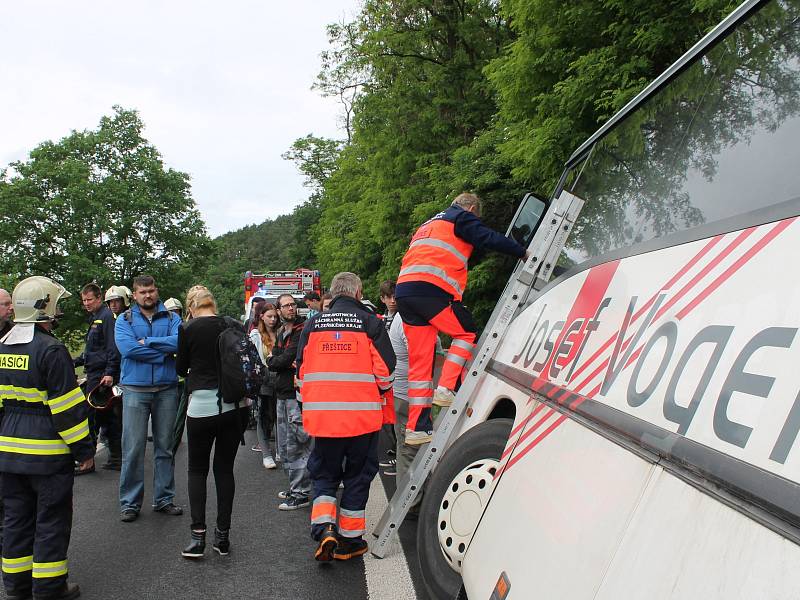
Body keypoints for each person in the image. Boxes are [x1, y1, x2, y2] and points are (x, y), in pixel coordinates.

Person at [395, 192, 527, 444]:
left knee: (420, 365)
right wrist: (521, 251)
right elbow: (487, 238)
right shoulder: (461, 217)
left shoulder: (428, 225)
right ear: (472, 208)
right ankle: (446, 388)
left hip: (405, 294)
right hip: (430, 290)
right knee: (466, 331)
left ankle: (417, 428)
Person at [0, 276, 94, 600]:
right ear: (46, 306)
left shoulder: (2, 347)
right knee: (51, 522)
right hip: (47, 457)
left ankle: (16, 587)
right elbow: (67, 411)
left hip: (8, 455)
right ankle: (50, 588)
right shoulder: (52, 350)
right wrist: (84, 450)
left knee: (15, 520)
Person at [296, 272, 396, 561]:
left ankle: (325, 528)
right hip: (361, 419)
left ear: (333, 292)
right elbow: (387, 372)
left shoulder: (313, 324)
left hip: (324, 419)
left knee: (324, 475)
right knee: (357, 475)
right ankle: (350, 541)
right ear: (358, 292)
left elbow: (301, 373)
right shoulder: (370, 322)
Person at [176, 287, 249, 559]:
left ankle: (197, 538)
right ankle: (223, 537)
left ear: (191, 307)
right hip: (232, 407)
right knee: (224, 470)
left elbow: (180, 369)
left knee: (197, 470)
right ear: (212, 303)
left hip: (201, 407)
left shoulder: (188, 329)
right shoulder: (231, 325)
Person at [115, 275, 183, 522]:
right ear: (134, 295)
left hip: (166, 389)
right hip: (135, 389)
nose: (148, 296)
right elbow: (128, 348)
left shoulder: (173, 318)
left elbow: (179, 343)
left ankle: (164, 498)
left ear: (157, 291)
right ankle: (130, 503)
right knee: (132, 448)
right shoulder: (124, 319)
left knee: (165, 447)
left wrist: (151, 342)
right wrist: (161, 355)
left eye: (151, 291)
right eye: (142, 292)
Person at [266, 293, 311, 510]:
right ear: (279, 310)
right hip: (281, 394)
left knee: (297, 445)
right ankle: (295, 487)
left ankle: (301, 493)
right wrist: (276, 361)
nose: (291, 309)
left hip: (296, 395)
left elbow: (284, 359)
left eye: (293, 305)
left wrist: (276, 361)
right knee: (284, 447)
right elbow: (276, 359)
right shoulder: (283, 332)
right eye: (286, 306)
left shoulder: (301, 330)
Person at [73, 283, 121, 473]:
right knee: (107, 417)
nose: (86, 303)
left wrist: (109, 372)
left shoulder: (106, 317)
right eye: (84, 300)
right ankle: (116, 458)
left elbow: (112, 347)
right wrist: (75, 361)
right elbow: (92, 350)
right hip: (94, 373)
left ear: (99, 298)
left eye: (89, 299)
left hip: (101, 376)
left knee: (90, 417)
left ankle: (88, 460)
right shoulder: (96, 318)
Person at [249, 302, 279, 469]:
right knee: (263, 415)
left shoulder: (281, 332)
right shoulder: (255, 335)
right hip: (264, 380)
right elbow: (255, 360)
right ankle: (266, 454)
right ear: (261, 316)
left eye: (275, 316)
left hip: (280, 380)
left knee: (278, 416)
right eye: (269, 316)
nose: (273, 319)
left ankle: (280, 451)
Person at [378, 280, 399, 472]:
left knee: (398, 416)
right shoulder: (381, 319)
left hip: (400, 372)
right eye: (388, 297)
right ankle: (394, 450)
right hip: (384, 373)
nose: (393, 300)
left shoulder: (403, 317)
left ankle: (399, 455)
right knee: (388, 417)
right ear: (382, 299)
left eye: (395, 296)